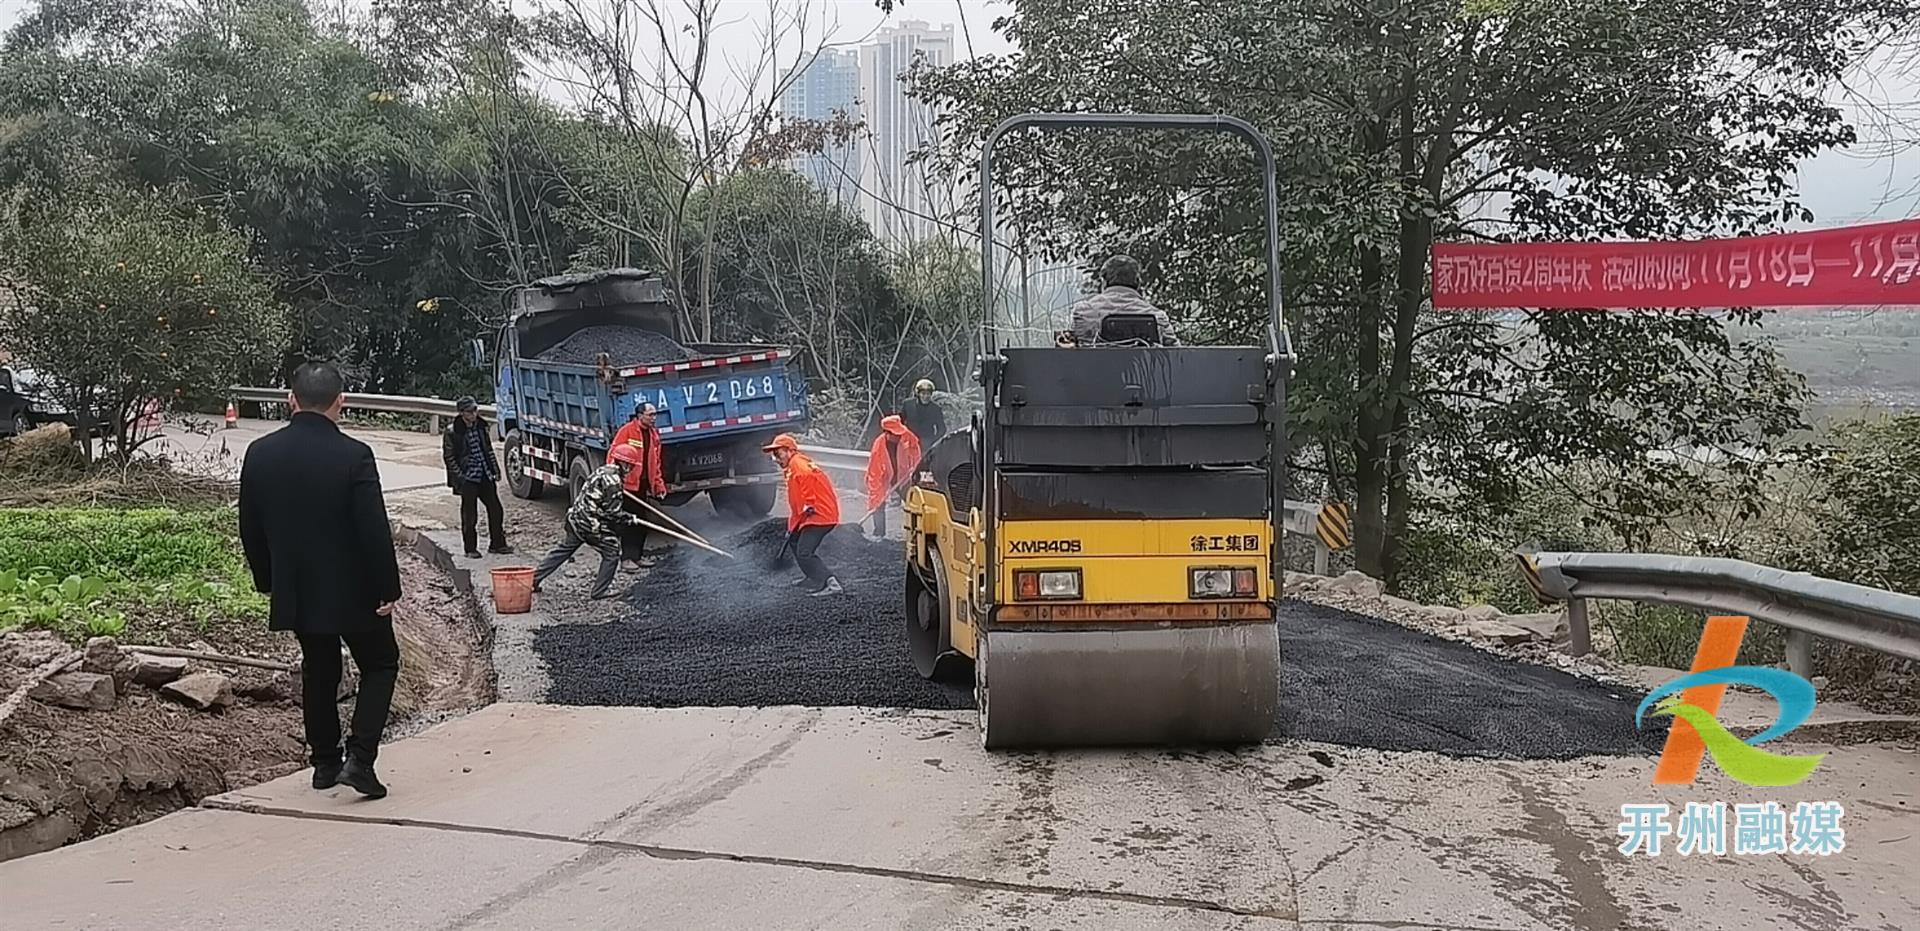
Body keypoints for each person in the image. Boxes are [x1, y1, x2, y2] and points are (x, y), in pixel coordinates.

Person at [238, 361, 402, 800]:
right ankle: (360, 760)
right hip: (356, 590)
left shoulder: (261, 453)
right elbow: (373, 528)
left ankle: (325, 764)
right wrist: (388, 587)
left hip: (298, 587)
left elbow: (249, 527)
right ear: (340, 403)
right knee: (381, 664)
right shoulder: (354, 455)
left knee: (319, 669)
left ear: (291, 400)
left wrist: (269, 580)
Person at [532, 444, 647, 600]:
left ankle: (534, 578)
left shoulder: (603, 470)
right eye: (631, 465)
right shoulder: (613, 482)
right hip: (589, 524)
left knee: (564, 550)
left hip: (575, 517)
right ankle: (599, 591)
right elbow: (613, 513)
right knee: (612, 552)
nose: (632, 468)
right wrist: (629, 518)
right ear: (625, 464)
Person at [762, 433, 843, 596]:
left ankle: (831, 584)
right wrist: (792, 526)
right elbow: (796, 503)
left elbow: (806, 478)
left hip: (820, 515)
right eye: (774, 455)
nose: (776, 458)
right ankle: (812, 577)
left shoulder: (797, 463)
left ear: (789, 450)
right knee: (794, 539)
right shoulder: (794, 464)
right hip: (815, 513)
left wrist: (809, 504)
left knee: (805, 552)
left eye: (778, 453)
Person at [442, 396, 511, 559]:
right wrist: (460, 478)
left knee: (496, 509)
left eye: (475, 410)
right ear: (461, 413)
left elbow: (488, 449)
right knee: (469, 514)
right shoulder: (453, 431)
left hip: (484, 474)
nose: (474, 414)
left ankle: (497, 544)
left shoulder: (480, 426)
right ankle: (470, 548)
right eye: (470, 411)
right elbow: (449, 457)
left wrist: (495, 469)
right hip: (469, 477)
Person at [1067, 254, 1180, 346]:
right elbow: (1177, 359)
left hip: (1093, 373)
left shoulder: (1083, 312)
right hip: (1146, 373)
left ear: (1104, 281)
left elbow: (1072, 359)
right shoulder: (1157, 317)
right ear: (1138, 283)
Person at [607, 403, 667, 569]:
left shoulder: (654, 435)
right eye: (650, 415)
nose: (654, 418)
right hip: (627, 487)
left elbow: (656, 463)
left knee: (641, 523)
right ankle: (626, 559)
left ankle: (638, 556)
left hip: (642, 486)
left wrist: (658, 485)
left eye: (655, 415)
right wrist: (615, 482)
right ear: (640, 416)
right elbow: (613, 455)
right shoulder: (627, 431)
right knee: (628, 523)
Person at [863, 415, 922, 539]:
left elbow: (915, 450)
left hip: (903, 476)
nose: (899, 436)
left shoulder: (907, 435)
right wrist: (876, 497)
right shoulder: (878, 448)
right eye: (896, 434)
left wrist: (915, 468)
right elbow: (874, 476)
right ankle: (879, 533)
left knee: (914, 503)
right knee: (878, 503)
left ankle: (917, 534)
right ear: (887, 434)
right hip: (884, 477)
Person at [901, 378, 946, 443]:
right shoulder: (908, 405)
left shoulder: (936, 408)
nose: (926, 396)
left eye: (928, 394)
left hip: (927, 444)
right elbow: (900, 422)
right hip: (909, 442)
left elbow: (942, 429)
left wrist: (933, 442)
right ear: (918, 394)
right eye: (923, 393)